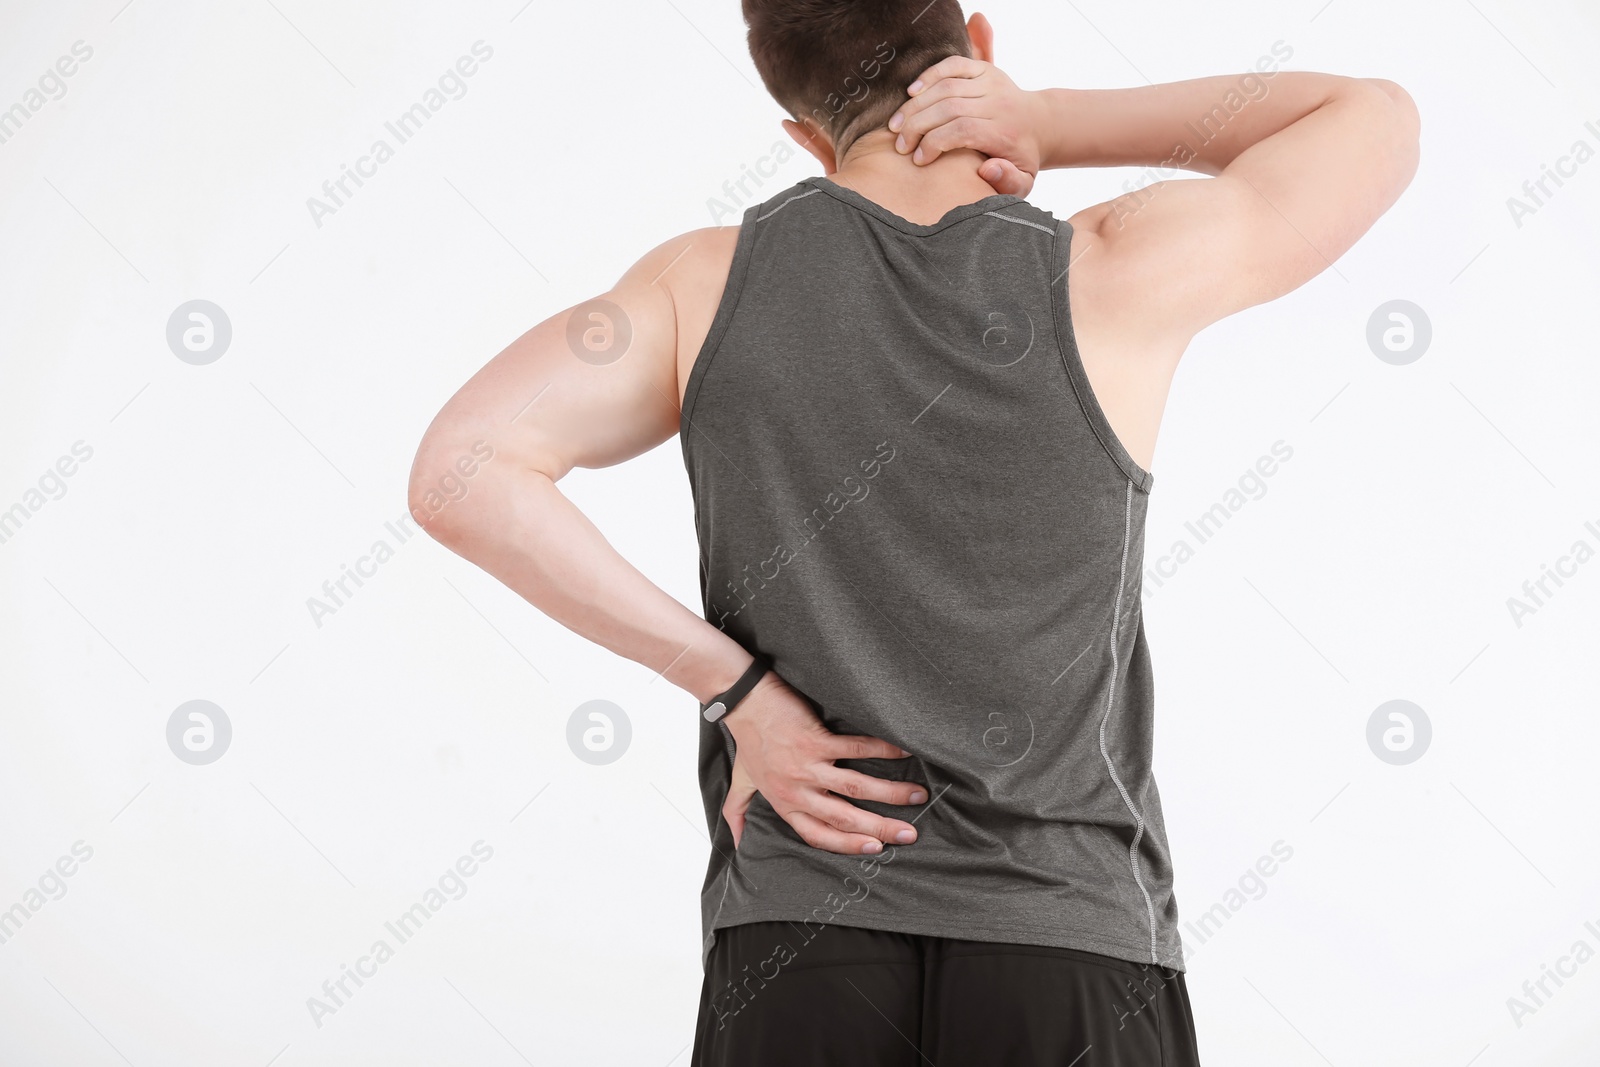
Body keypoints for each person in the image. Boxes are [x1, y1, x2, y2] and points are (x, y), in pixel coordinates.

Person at [408, 2, 1419, 1063]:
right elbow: (1373, 116)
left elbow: (458, 475)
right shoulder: (1120, 261)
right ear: (977, 43)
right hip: (1065, 942)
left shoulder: (697, 283)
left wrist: (736, 691)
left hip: (799, 936)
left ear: (803, 131)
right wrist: (1048, 122)